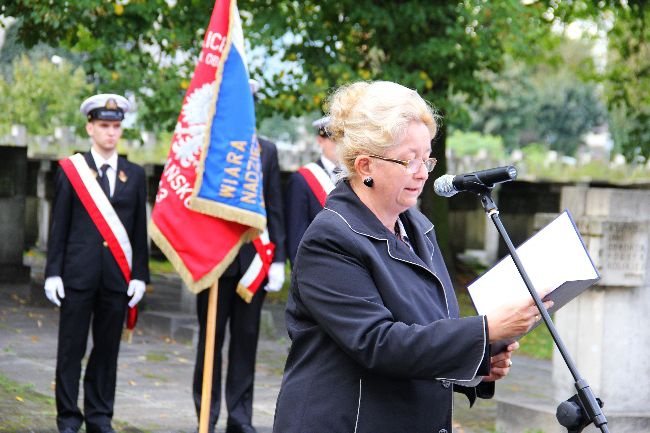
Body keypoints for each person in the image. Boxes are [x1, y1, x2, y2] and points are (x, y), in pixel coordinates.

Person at [272, 81, 553, 433]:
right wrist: (484, 330)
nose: (423, 172)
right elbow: (379, 344)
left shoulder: (419, 228)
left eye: (427, 158)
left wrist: (479, 360)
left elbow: (428, 330)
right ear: (365, 166)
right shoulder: (331, 239)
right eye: (408, 159)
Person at [44, 93, 150, 433]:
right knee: (70, 350)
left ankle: (100, 416)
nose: (110, 133)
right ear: (90, 127)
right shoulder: (72, 171)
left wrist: (140, 276)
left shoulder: (133, 174)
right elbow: (59, 224)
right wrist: (53, 272)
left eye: (116, 126)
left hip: (116, 277)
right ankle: (67, 418)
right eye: (104, 125)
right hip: (77, 274)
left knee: (107, 352)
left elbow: (138, 229)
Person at [192, 133, 287, 433]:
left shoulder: (266, 150)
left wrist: (279, 259)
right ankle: (206, 412)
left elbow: (274, 205)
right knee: (210, 341)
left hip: (253, 261)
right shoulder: (208, 143)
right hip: (214, 262)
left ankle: (240, 416)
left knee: (246, 342)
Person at [284, 116, 339, 266]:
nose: (341, 144)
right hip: (319, 266)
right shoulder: (301, 180)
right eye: (335, 138)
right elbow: (297, 234)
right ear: (320, 141)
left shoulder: (358, 178)